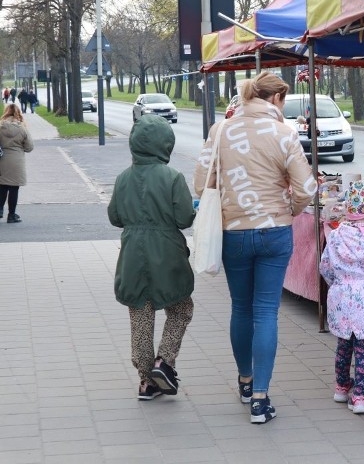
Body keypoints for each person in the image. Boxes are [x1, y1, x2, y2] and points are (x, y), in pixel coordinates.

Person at [193, 71, 317, 424]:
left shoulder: (221, 132)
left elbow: (201, 183)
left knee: (241, 308)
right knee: (266, 311)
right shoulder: (284, 134)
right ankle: (261, 398)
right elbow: (306, 188)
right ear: (276, 100)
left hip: (234, 231)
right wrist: (287, 210)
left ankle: (245, 381)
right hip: (275, 232)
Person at [108, 114, 196, 400]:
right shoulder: (173, 177)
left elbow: (115, 217)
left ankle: (146, 381)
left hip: (133, 254)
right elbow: (184, 219)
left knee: (140, 316)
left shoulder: (123, 178)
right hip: (167, 253)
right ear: (165, 144)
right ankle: (164, 361)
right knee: (181, 308)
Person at [319, 181, 364, 415]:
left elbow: (325, 268)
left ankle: (341, 387)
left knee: (343, 345)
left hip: (341, 296)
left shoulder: (335, 236)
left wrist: (339, 283)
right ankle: (360, 397)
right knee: (363, 348)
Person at [0, 104, 33, 223]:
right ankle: (11, 215)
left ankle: (0, 210)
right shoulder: (22, 128)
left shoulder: (0, 126)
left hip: (2, 159)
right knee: (14, 188)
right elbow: (29, 147)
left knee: (2, 186)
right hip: (17, 160)